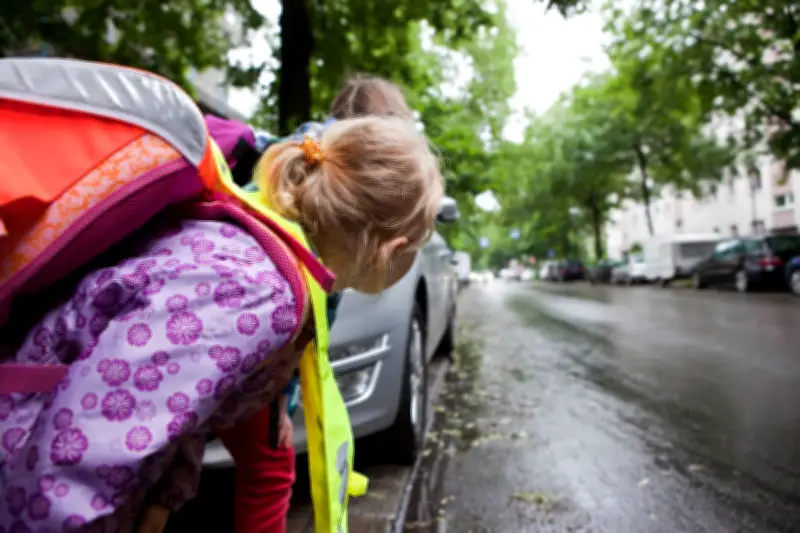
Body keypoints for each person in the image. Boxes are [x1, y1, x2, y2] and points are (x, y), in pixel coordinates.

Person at [0, 115, 443, 533]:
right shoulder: (257, 292)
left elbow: (181, 398)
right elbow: (86, 447)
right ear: (393, 249)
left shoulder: (262, 256)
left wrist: (164, 495)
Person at [221, 74, 416, 533]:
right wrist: (281, 398)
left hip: (208, 327)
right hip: (249, 350)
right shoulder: (350, 187)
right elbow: (311, 319)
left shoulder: (299, 154)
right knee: (270, 470)